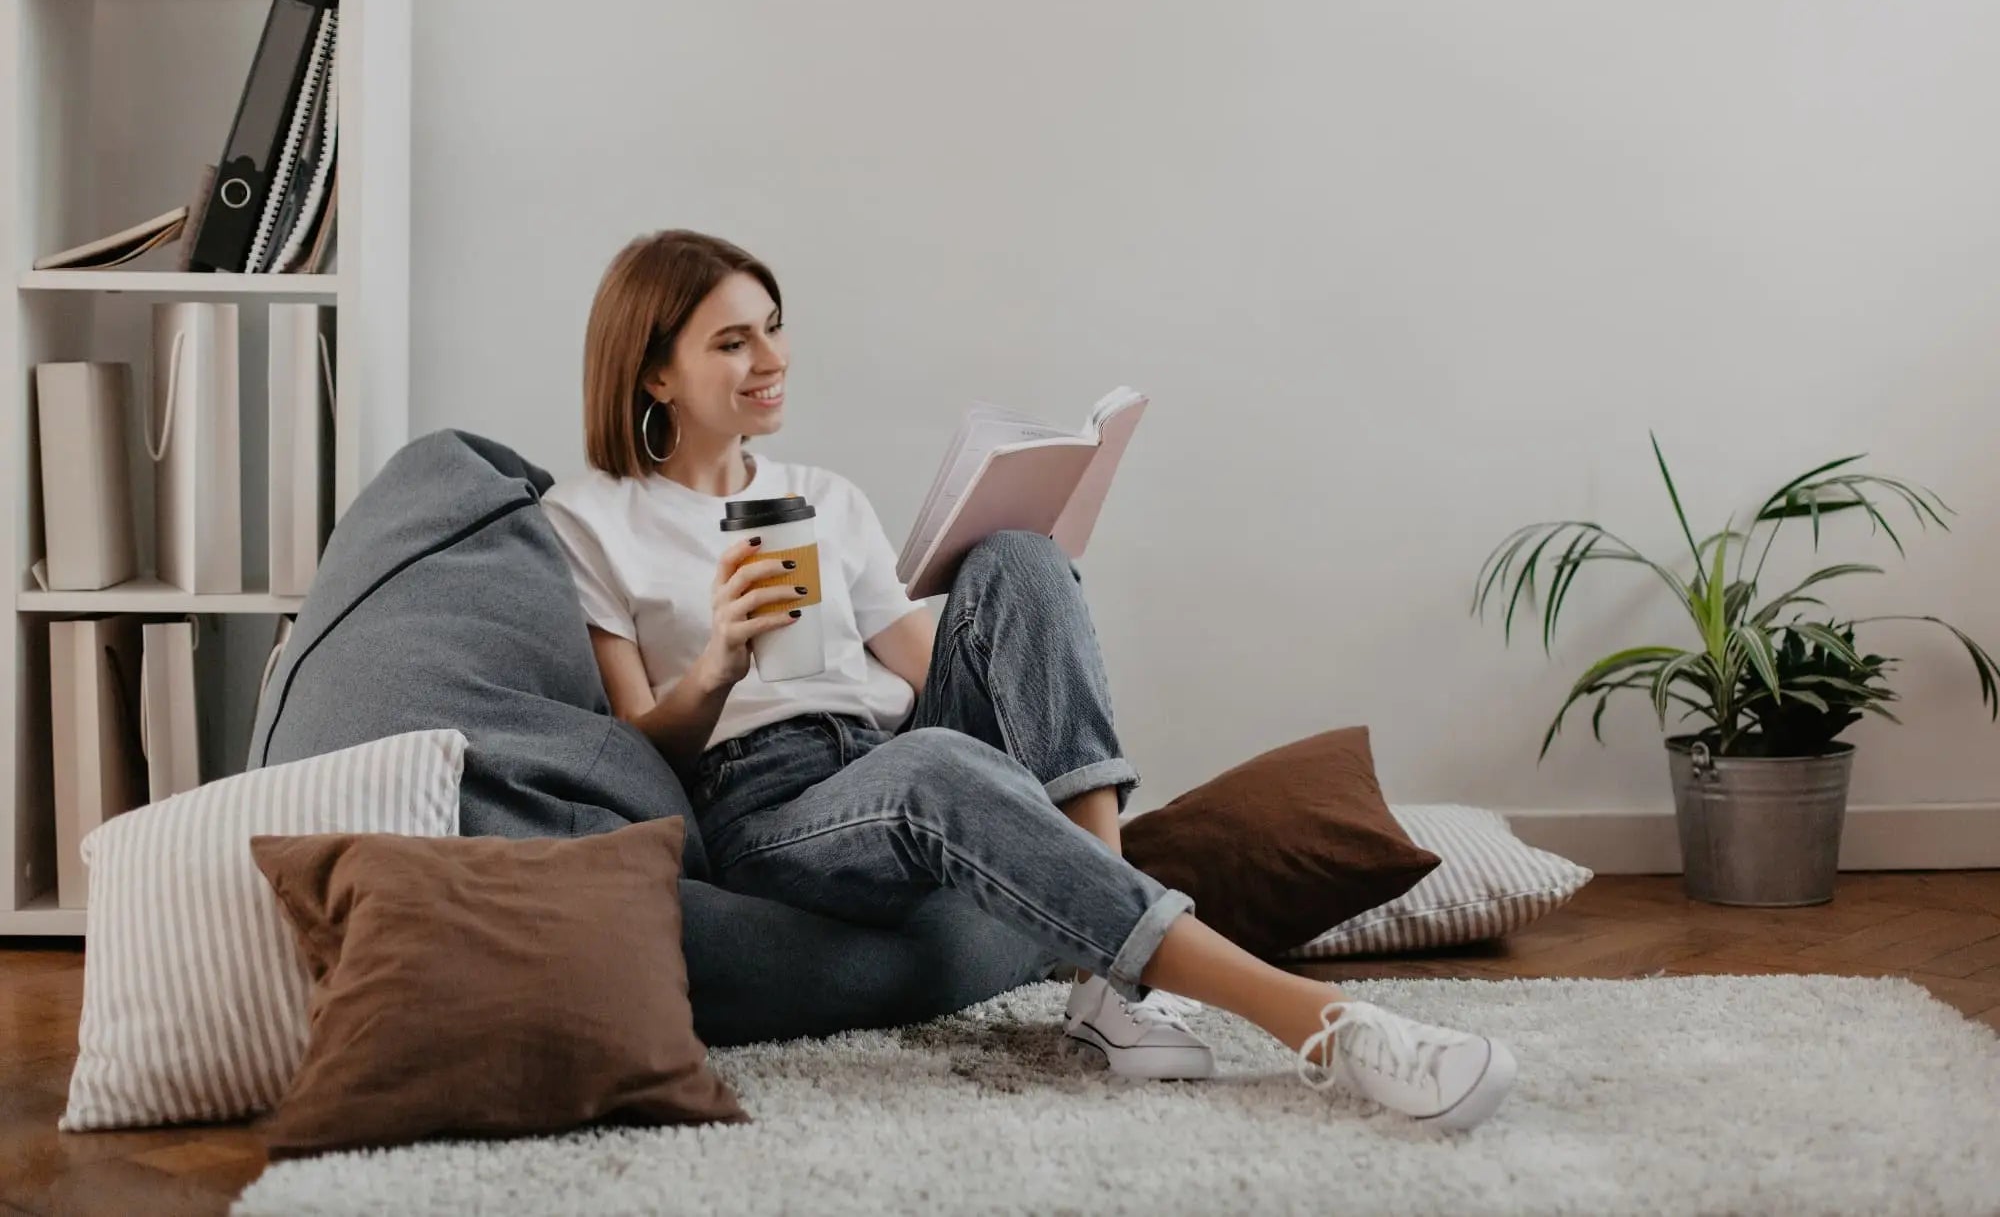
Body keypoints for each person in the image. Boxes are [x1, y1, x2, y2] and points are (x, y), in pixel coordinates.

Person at [541, 229, 1517, 1130]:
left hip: (893, 748)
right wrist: (717, 664)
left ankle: (1103, 985)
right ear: (656, 371)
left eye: (775, 328)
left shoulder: (825, 498)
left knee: (1022, 554)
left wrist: (1028, 616)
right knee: (931, 765)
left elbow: (920, 671)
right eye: (731, 342)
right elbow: (635, 743)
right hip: (762, 801)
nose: (771, 358)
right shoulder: (592, 519)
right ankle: (1321, 1022)